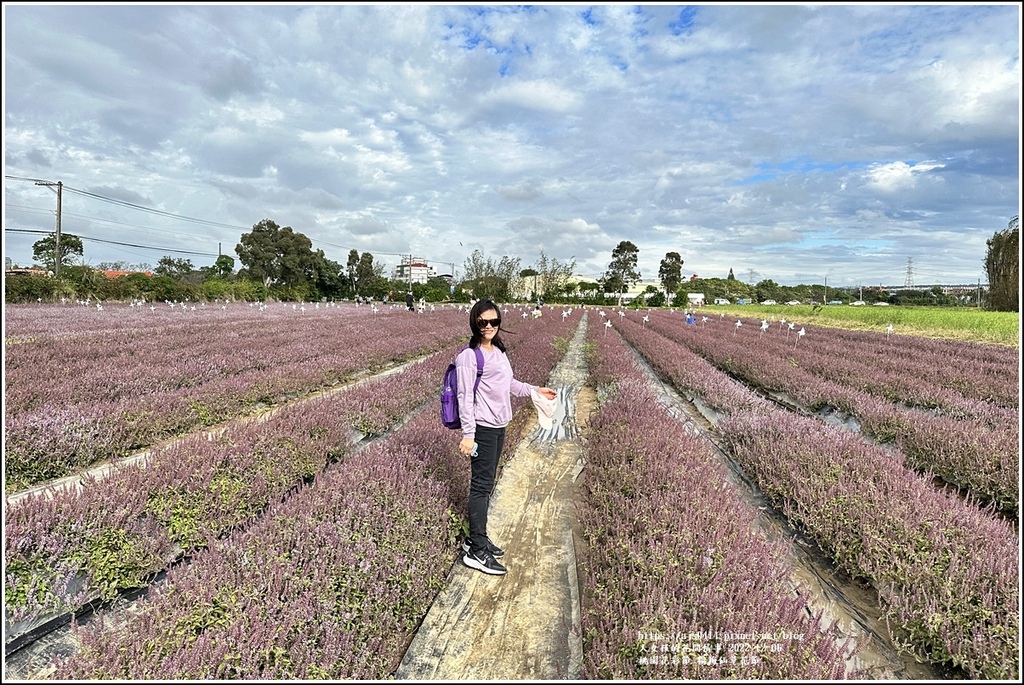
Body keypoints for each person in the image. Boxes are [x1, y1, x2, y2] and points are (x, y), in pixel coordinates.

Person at [456, 299, 557, 576]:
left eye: (494, 321)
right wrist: (468, 435)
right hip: (483, 428)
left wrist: (536, 390)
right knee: (480, 487)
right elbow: (464, 398)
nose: (488, 327)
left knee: (487, 484)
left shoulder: (498, 351)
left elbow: (509, 384)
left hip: (499, 425)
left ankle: (477, 538)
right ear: (474, 322)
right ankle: (477, 551)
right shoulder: (469, 356)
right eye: (482, 322)